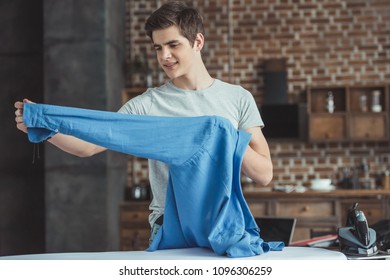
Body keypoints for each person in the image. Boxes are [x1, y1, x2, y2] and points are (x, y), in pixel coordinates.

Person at [14, 1, 272, 245]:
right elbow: (88, 146)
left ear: (198, 42)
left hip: (223, 226)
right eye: (158, 48)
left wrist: (225, 136)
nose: (165, 56)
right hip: (169, 227)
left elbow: (264, 174)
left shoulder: (238, 98)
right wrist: (44, 127)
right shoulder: (147, 105)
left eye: (173, 45)